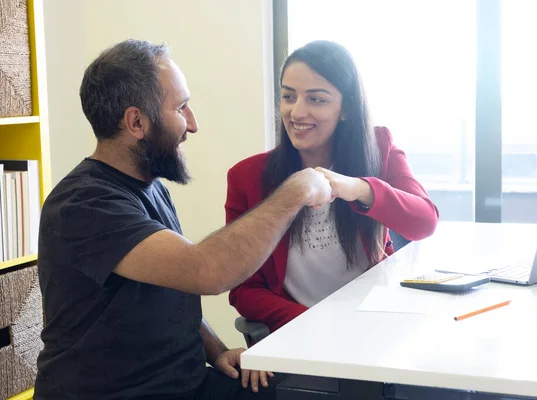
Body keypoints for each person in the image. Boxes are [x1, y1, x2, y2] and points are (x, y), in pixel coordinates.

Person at [34, 39, 333, 400]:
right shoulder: (84, 204)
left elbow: (173, 291)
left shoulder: (147, 186)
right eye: (182, 108)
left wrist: (217, 350)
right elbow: (207, 270)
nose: (192, 124)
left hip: (186, 383)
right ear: (137, 122)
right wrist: (296, 191)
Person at [226, 40, 439, 334]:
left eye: (316, 99)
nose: (296, 112)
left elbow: (425, 221)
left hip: (377, 324)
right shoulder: (246, 177)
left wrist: (358, 188)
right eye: (289, 96)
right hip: (304, 334)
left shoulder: (379, 148)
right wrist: (315, 325)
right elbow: (243, 289)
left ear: (346, 108)